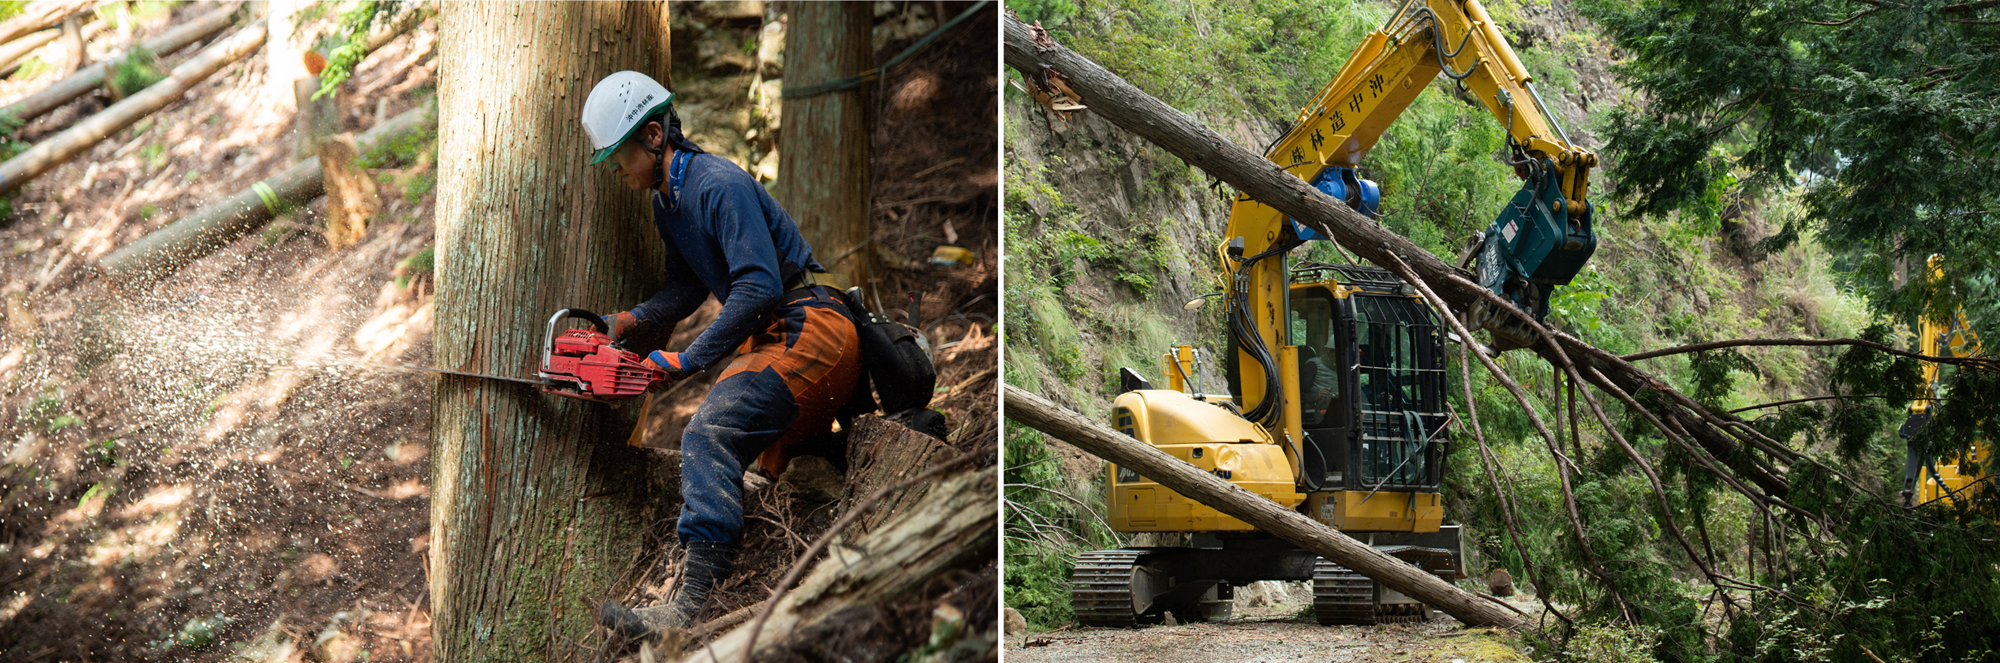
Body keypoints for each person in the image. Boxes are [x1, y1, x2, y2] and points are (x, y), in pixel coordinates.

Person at [581, 71, 862, 640]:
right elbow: (686, 288)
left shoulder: (716, 183)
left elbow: (757, 288)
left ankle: (685, 612)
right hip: (780, 336)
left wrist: (684, 362)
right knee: (772, 465)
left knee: (707, 432)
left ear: (655, 136)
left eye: (619, 155)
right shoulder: (670, 203)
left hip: (812, 326)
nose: (614, 168)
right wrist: (631, 320)